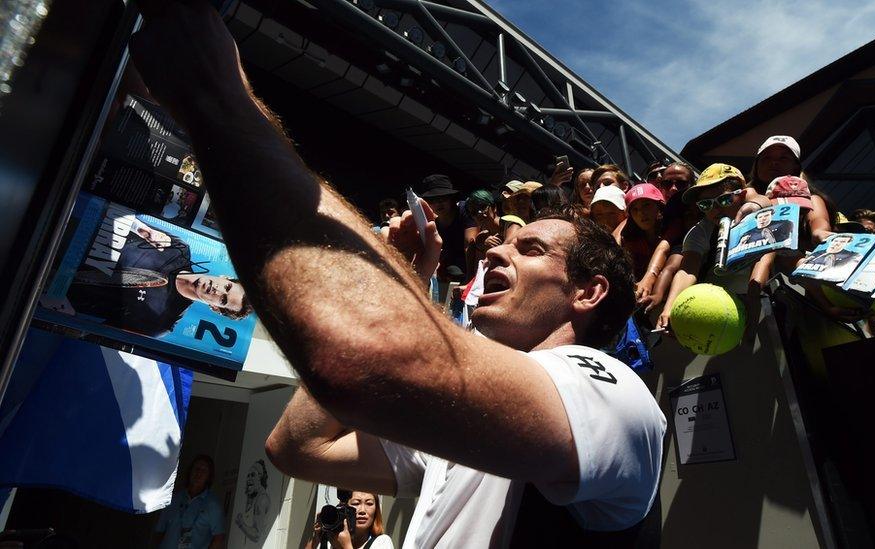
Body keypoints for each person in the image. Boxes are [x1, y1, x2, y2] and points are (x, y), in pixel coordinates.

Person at [131, 4, 666, 547]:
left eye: (530, 249)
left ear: (587, 291)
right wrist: (410, 273)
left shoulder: (617, 399)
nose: (495, 254)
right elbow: (296, 446)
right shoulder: (469, 420)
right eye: (500, 242)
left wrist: (221, 99)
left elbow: (359, 358)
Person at [62, 217, 252, 337]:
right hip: (65, 230)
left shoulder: (160, 323)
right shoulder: (179, 248)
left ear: (215, 308)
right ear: (225, 277)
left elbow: (88, 330)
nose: (218, 290)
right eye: (227, 287)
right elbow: (123, 219)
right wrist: (141, 229)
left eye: (223, 299)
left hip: (48, 279)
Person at [657, 164, 775, 336]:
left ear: (742, 196)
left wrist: (755, 206)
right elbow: (688, 269)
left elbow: (762, 201)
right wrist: (670, 308)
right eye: (705, 205)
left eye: (724, 200)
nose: (715, 209)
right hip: (719, 311)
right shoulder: (701, 230)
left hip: (763, 307)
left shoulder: (760, 219)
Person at [614, 184, 670, 312]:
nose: (641, 213)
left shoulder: (672, 228)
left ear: (659, 206)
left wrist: (649, 278)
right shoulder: (628, 239)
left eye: (646, 205)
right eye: (635, 209)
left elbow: (664, 251)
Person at [153, 455, 225, 549]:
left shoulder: (213, 505)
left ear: (209, 477)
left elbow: (219, 539)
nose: (199, 473)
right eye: (196, 468)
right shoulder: (173, 499)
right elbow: (160, 532)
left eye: (204, 471)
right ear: (190, 471)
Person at [417, 174, 474, 283]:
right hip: (450, 274)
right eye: (432, 200)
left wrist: (470, 279)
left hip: (473, 269)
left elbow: (470, 244)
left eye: (442, 198)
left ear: (451, 198)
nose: (438, 203)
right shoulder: (432, 224)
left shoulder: (464, 210)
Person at [306, 491, 394, 549]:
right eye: (356, 503)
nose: (362, 510)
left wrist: (346, 545)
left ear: (376, 510)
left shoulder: (382, 542)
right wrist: (317, 538)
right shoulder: (333, 542)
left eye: (369, 504)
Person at [234, 459, 271, 543]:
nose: (249, 479)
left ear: (260, 477)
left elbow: (257, 535)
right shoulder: (254, 497)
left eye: (253, 475)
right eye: (248, 475)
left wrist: (241, 523)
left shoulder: (261, 500)